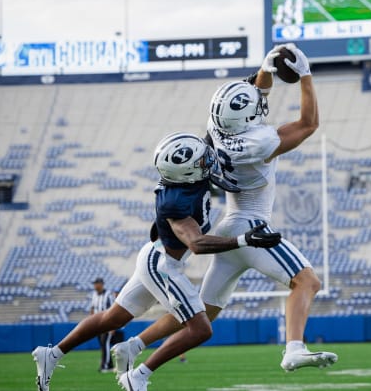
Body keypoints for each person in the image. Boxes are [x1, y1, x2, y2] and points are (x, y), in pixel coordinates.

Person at [113, 44, 338, 373]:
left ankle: (135, 347)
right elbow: (308, 124)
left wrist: (267, 69)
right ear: (246, 118)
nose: (260, 107)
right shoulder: (257, 142)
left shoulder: (217, 127)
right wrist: (305, 76)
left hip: (227, 225)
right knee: (307, 282)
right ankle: (294, 348)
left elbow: (254, 98)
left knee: (201, 311)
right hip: (250, 225)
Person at [32, 133, 281, 391]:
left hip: (154, 254)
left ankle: (52, 354)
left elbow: (210, 135)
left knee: (112, 319)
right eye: (202, 161)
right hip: (162, 265)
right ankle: (138, 376)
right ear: (187, 174)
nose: (208, 161)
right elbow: (196, 243)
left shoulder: (183, 172)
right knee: (200, 329)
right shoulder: (176, 202)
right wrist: (243, 240)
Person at [89, 277, 115, 373]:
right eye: (94, 284)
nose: (95, 285)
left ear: (101, 284)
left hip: (107, 324)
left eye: (96, 283)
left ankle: (105, 366)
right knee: (103, 344)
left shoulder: (108, 295)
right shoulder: (94, 295)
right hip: (97, 324)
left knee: (105, 344)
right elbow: (92, 308)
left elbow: (113, 310)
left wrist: (113, 326)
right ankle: (110, 365)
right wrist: (91, 322)